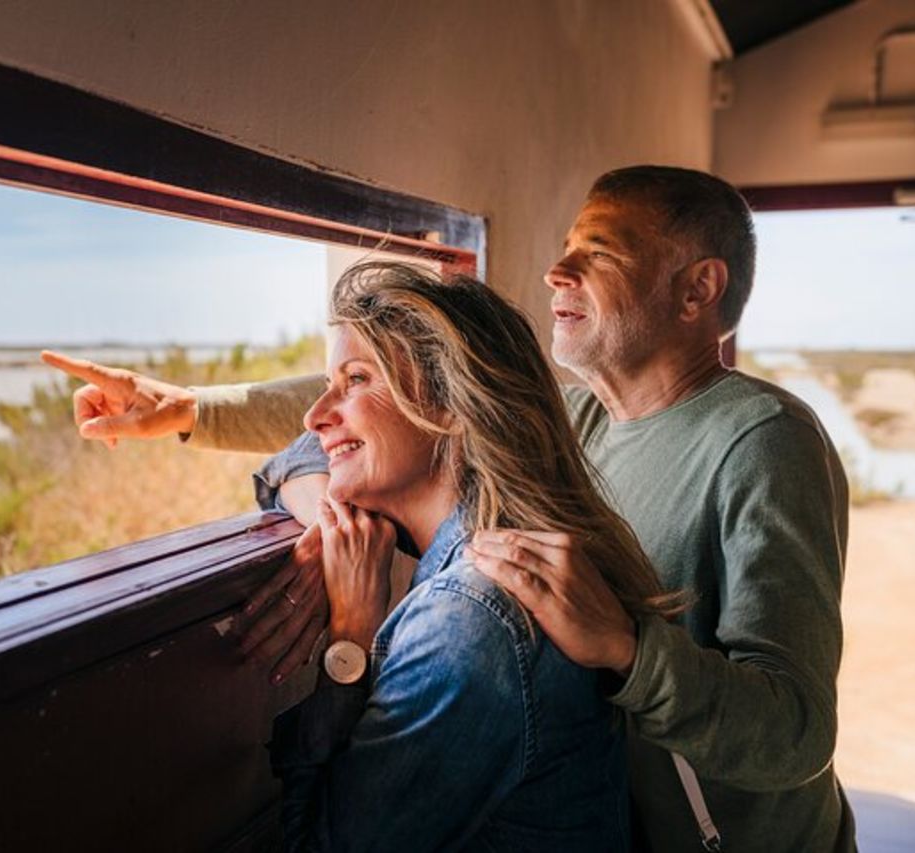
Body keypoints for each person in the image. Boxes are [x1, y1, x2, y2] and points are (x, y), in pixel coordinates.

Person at [42, 165, 854, 851]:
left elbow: (797, 733)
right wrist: (194, 413)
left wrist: (627, 647)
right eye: (564, 249)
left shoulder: (763, 439)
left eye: (596, 253)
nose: (555, 272)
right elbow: (358, 406)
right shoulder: (580, 419)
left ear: (697, 288)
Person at [265, 261, 680, 850]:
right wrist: (334, 512)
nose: (316, 414)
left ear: (451, 408)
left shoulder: (470, 620)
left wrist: (350, 643)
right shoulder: (498, 549)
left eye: (356, 379)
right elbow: (289, 458)